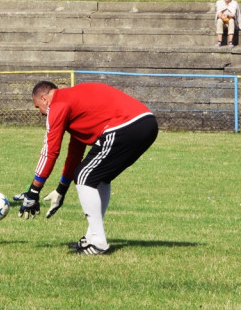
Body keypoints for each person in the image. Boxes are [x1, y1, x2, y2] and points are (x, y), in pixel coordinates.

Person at [15, 81, 158, 255]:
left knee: (84, 176)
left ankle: (98, 243)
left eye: (38, 107)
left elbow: (50, 151)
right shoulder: (74, 104)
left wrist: (34, 191)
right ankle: (92, 237)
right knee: (98, 177)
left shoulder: (58, 105)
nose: (40, 113)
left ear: (44, 99)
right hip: (146, 123)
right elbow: (75, 153)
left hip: (126, 125)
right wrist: (61, 189)